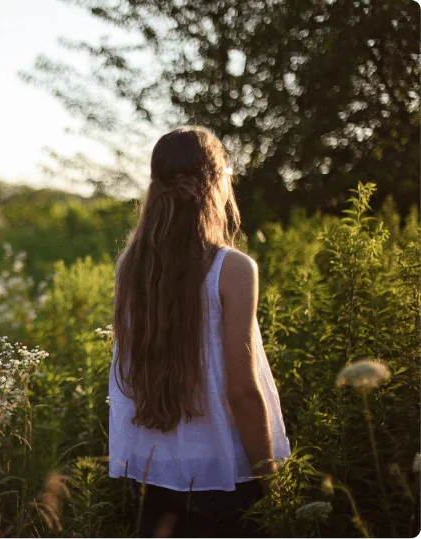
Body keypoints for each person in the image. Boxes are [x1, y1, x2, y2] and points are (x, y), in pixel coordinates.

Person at [108, 125, 291, 538]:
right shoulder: (233, 269)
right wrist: (273, 482)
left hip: (157, 478)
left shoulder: (131, 267)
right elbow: (242, 389)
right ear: (215, 183)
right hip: (226, 480)